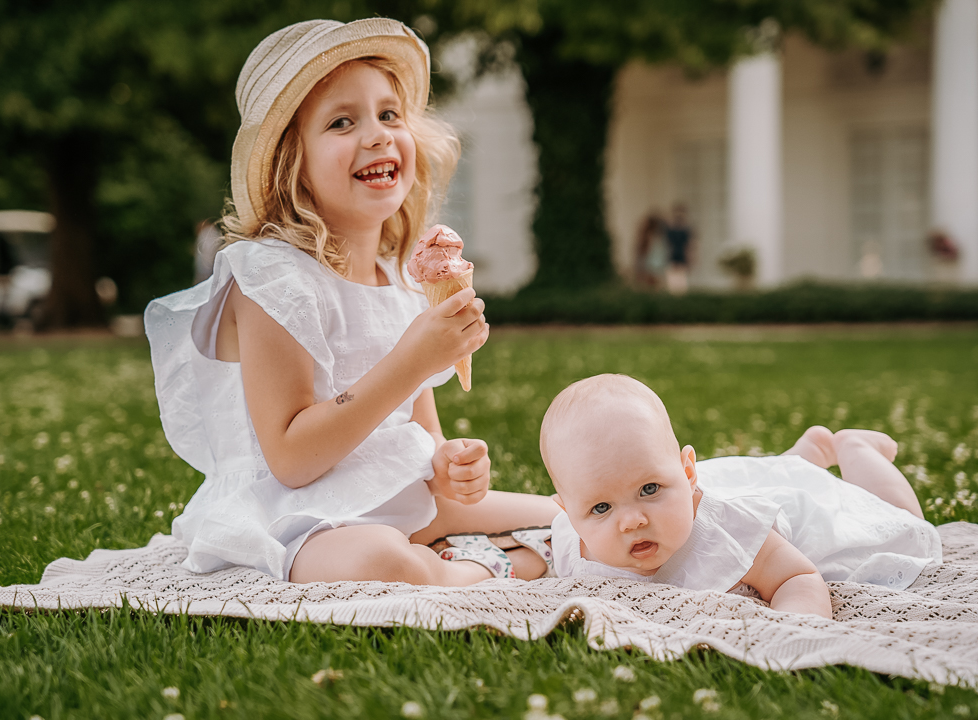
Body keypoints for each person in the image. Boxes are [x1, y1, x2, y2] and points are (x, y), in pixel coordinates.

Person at [145, 19, 558, 586]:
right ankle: (487, 570)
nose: (378, 134)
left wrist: (449, 465)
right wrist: (413, 360)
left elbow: (423, 434)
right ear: (295, 163)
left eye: (390, 114)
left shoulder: (402, 277)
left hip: (397, 496)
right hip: (295, 517)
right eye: (343, 122)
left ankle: (506, 553)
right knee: (378, 561)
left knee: (569, 513)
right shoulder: (270, 277)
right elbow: (291, 458)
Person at [539, 374, 941, 618]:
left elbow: (796, 576)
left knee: (901, 520)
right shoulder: (571, 543)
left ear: (687, 473)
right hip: (750, 486)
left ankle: (856, 449)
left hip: (808, 514)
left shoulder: (731, 531)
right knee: (780, 476)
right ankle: (804, 457)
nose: (632, 520)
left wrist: (794, 626)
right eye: (601, 508)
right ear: (568, 513)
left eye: (649, 490)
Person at [663, 203, 694, 294]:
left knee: (681, 287)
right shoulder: (670, 229)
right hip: (672, 259)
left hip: (681, 259)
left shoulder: (686, 230)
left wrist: (690, 260)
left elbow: (688, 247)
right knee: (672, 286)